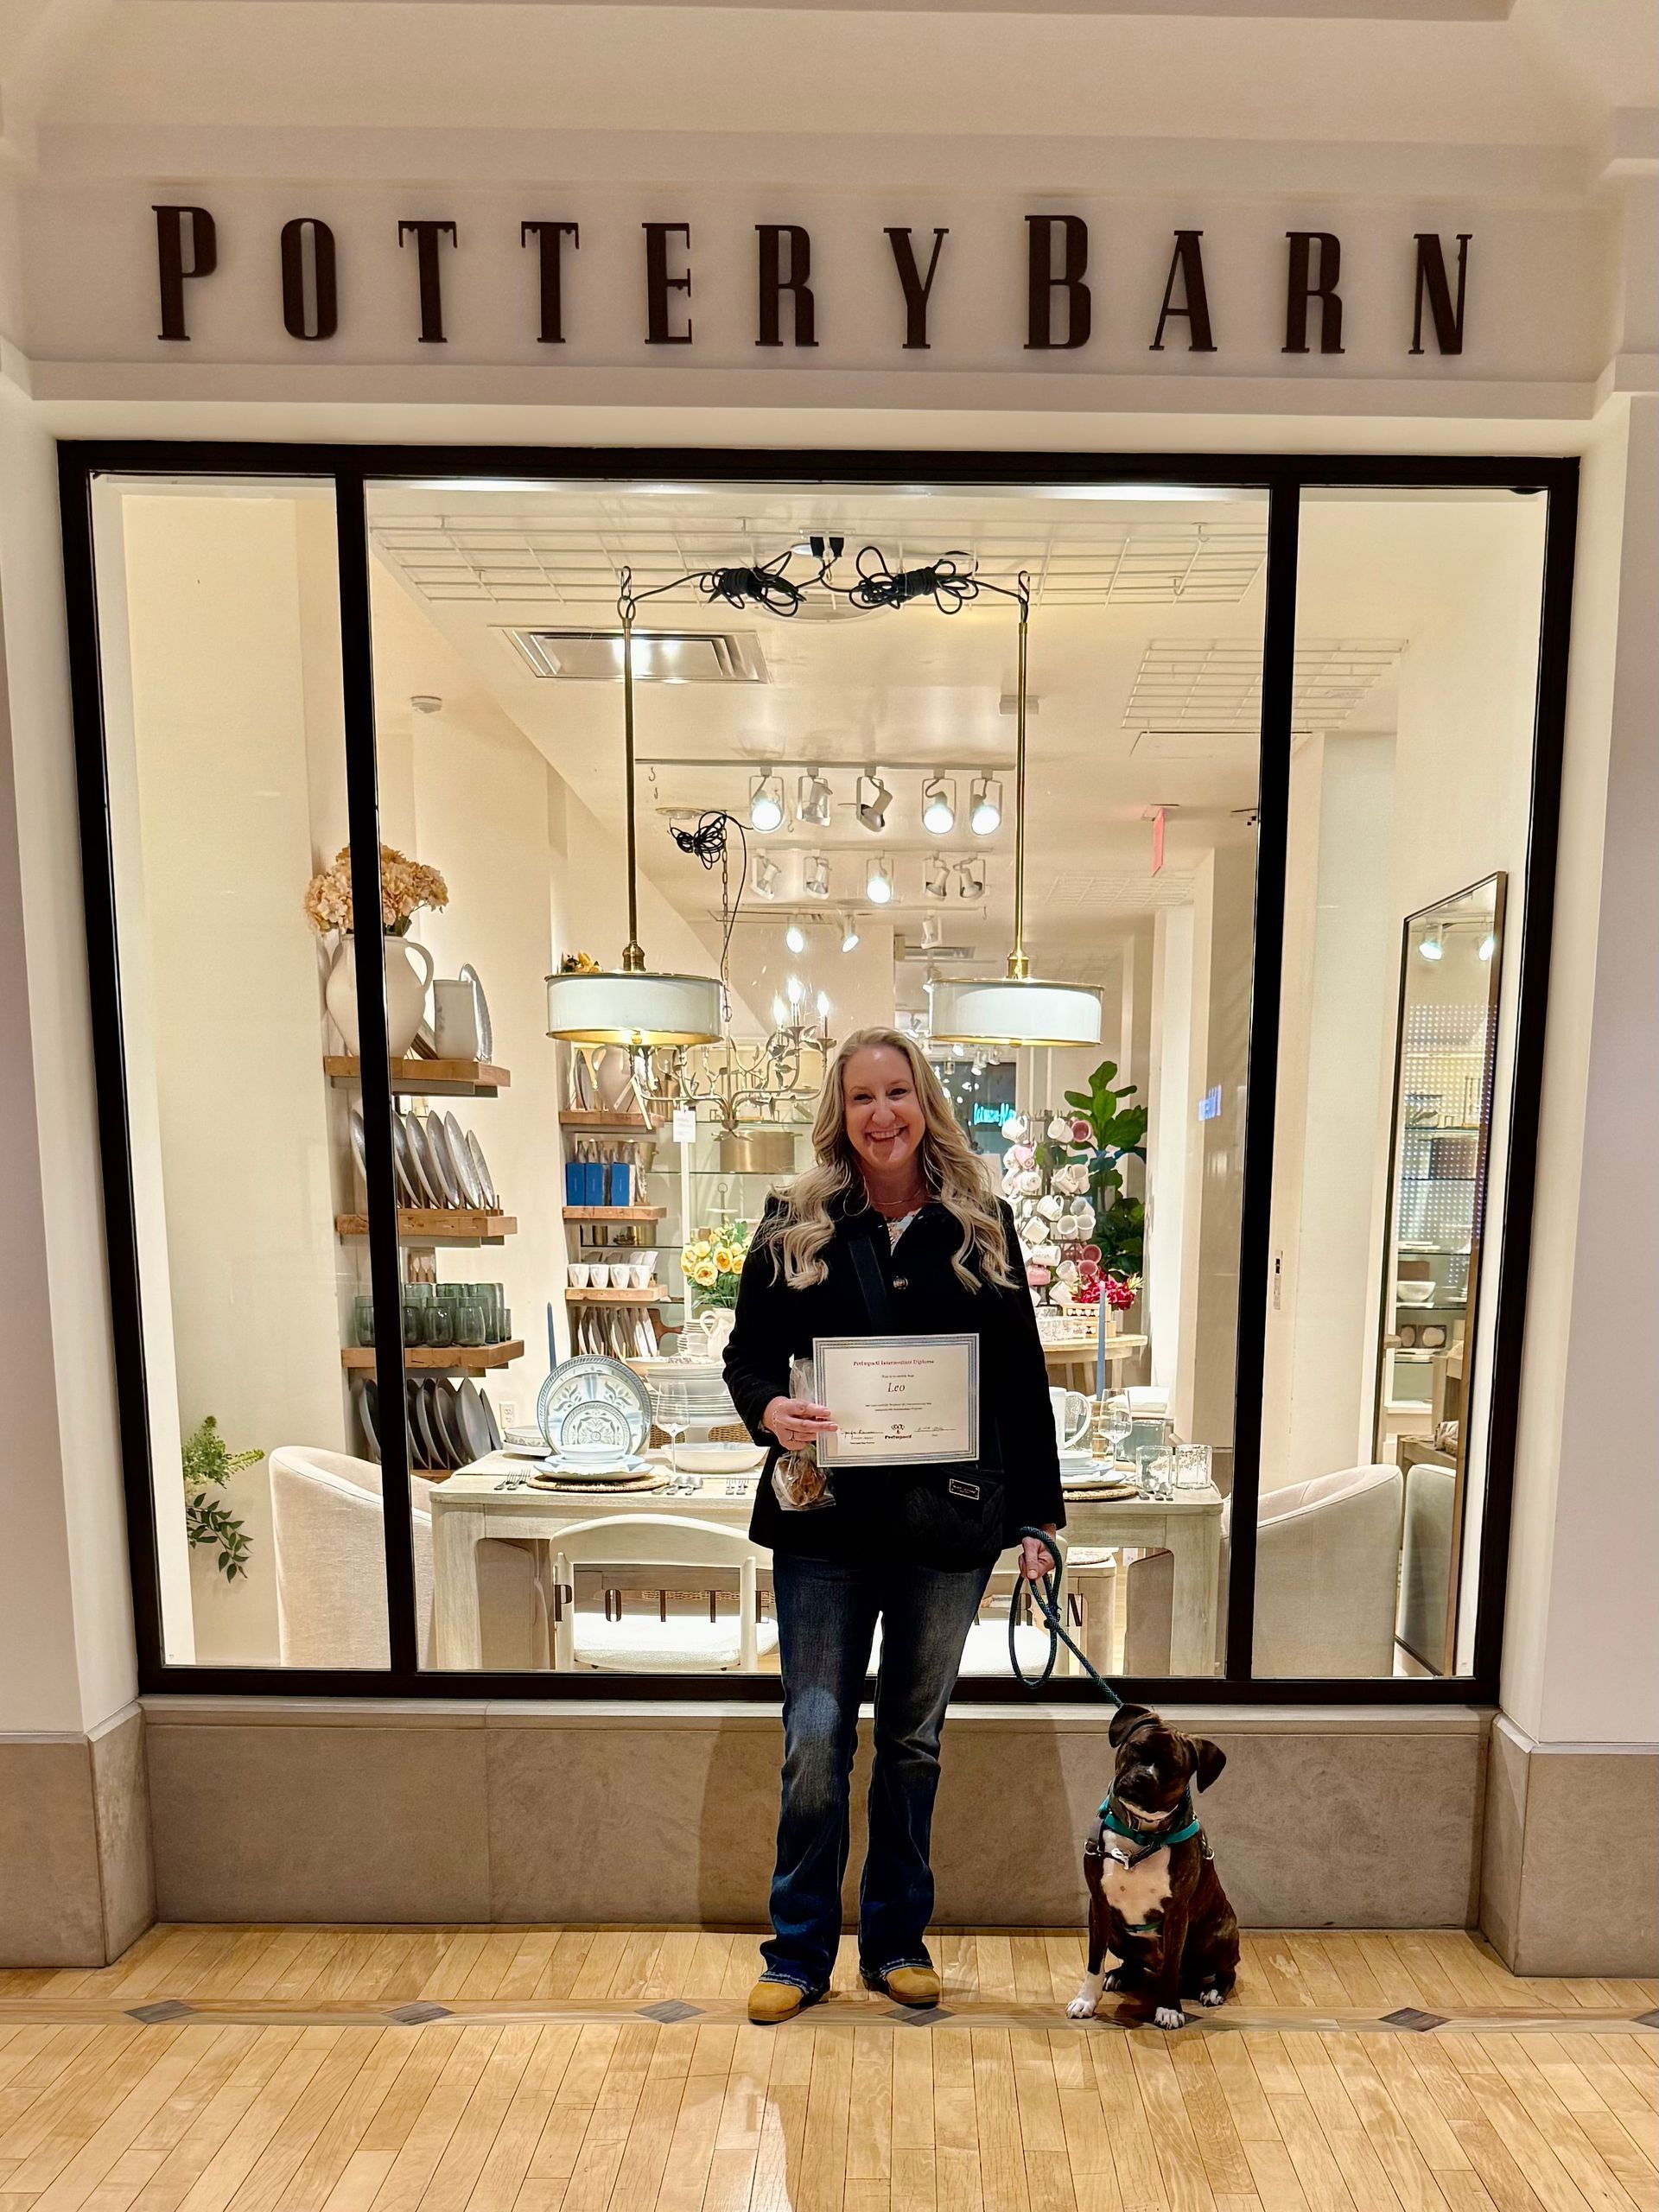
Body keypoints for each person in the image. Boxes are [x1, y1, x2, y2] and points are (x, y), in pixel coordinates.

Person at [723, 1025, 1064, 2024]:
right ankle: (796, 1952)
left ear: (926, 1104)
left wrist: (1041, 1518)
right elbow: (748, 1357)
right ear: (842, 1109)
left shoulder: (981, 1224)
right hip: (823, 1524)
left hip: (943, 1530)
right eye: (864, 1096)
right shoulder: (794, 1220)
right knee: (817, 1737)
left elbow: (1021, 1386)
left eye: (899, 1093)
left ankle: (897, 1940)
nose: (883, 1114)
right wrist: (767, 1412)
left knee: (913, 1741)